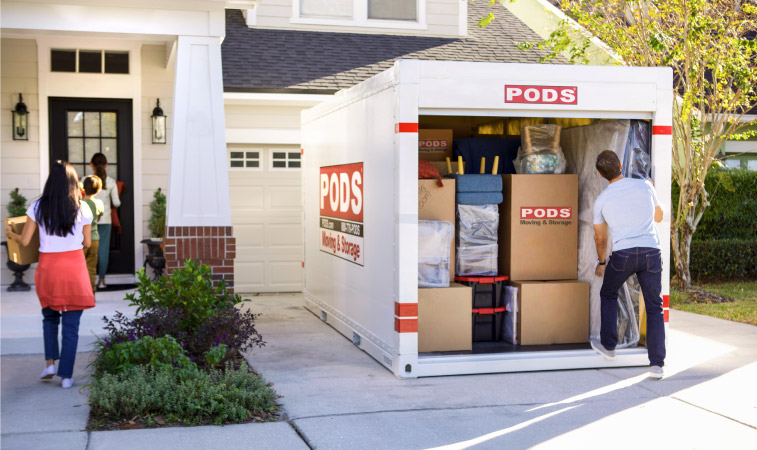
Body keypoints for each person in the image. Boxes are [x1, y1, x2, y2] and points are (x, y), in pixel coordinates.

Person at [4, 161, 95, 389]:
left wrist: (10, 234)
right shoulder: (83, 208)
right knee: (71, 325)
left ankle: (50, 364)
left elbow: (25, 241)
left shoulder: (37, 207)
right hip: (74, 267)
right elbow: (87, 243)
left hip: (48, 268)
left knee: (50, 316)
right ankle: (66, 376)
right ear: (73, 182)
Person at [591, 150, 666, 379]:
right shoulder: (645, 186)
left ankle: (609, 346)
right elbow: (659, 217)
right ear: (621, 165)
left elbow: (600, 238)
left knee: (608, 293)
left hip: (623, 255)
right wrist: (650, 191)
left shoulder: (602, 199)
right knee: (654, 306)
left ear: (601, 175)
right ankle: (656, 365)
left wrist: (602, 262)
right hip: (651, 253)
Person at [90, 153, 120, 289]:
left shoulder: (86, 180)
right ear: (106, 165)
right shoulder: (111, 183)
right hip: (105, 220)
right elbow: (117, 203)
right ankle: (101, 281)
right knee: (102, 251)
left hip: (88, 221)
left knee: (88, 251)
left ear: (91, 165)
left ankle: (88, 282)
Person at [81, 175, 104, 292]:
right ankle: (91, 291)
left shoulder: (79, 203)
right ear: (98, 190)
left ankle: (80, 291)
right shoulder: (99, 203)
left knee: (79, 267)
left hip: (81, 239)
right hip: (94, 238)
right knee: (91, 268)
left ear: (83, 187)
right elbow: (98, 219)